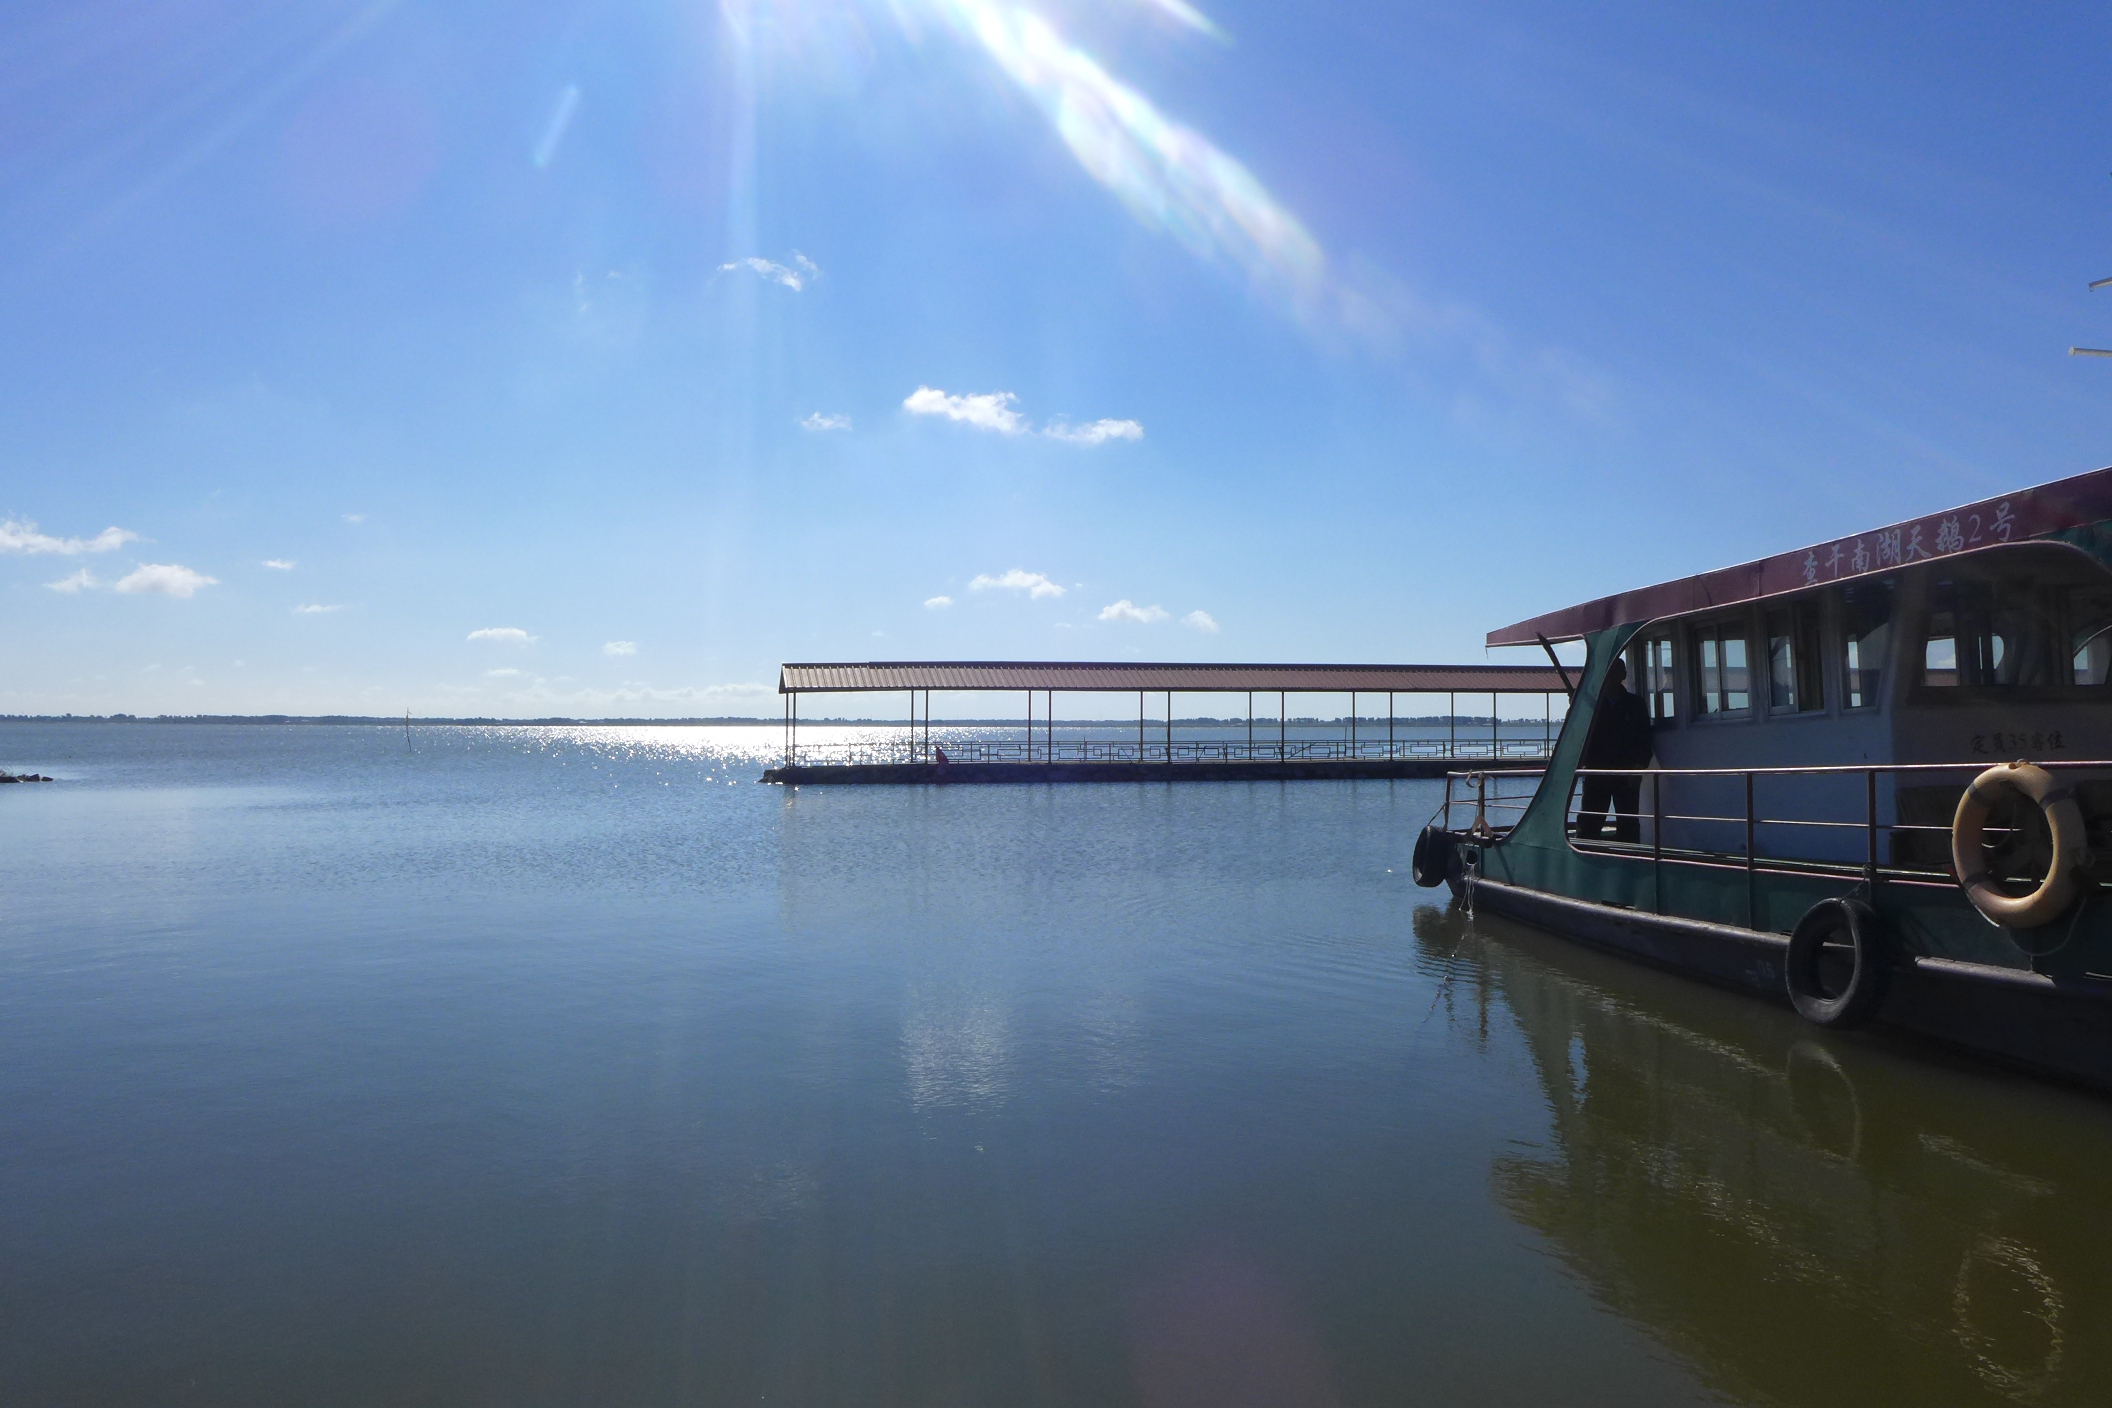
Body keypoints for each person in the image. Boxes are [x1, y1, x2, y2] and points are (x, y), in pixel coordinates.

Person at [1577, 658, 1655, 843]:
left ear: (1623, 675)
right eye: (1609, 672)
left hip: (1626, 772)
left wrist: (1639, 767)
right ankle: (1586, 858)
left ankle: (1630, 860)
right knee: (1590, 822)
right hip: (1597, 771)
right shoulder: (1590, 706)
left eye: (1617, 672)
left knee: (1628, 822)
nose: (1612, 677)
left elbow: (1644, 739)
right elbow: (1578, 736)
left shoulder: (1635, 704)